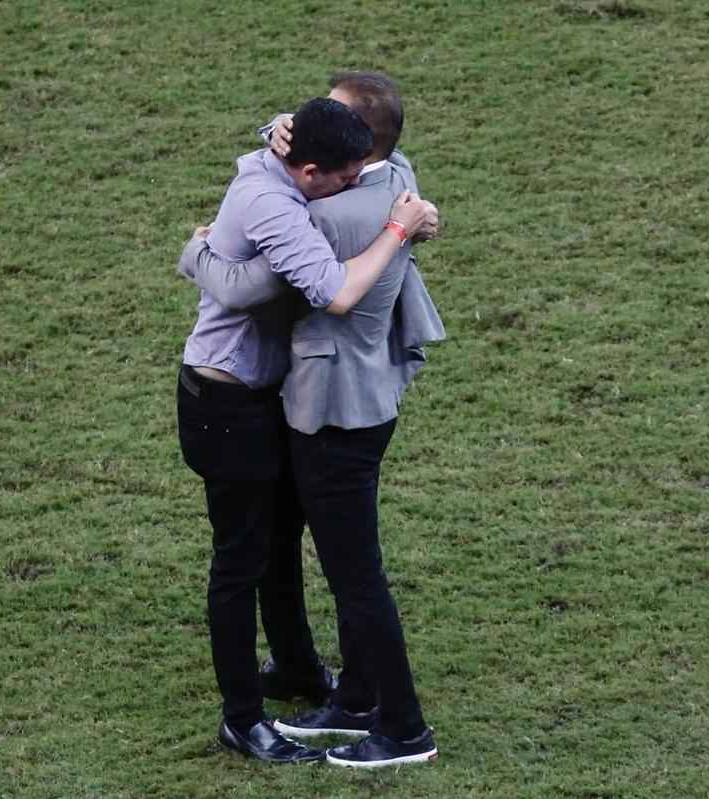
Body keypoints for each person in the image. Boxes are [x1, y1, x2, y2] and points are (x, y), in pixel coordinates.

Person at [178, 72, 445, 769]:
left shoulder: (323, 215)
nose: (301, 117)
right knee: (266, 545)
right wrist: (275, 134)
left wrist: (196, 251)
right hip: (298, 396)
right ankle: (338, 690)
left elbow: (246, 284)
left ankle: (397, 725)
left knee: (337, 569)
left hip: (324, 406)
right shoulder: (399, 180)